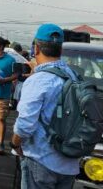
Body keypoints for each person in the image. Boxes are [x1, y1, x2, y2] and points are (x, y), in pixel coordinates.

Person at [11, 24, 81, 189]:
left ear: (36, 48)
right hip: (69, 163)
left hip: (41, 160)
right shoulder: (74, 76)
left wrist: (14, 143)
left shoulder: (38, 80)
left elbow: (25, 125)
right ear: (60, 49)